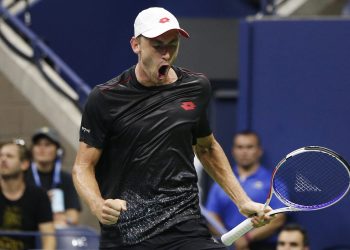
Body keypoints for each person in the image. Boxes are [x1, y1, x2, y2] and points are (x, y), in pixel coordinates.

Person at [72, 7, 273, 250]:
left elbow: (207, 147)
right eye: (157, 46)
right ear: (136, 45)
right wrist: (97, 204)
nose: (166, 54)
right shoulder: (105, 98)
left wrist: (242, 201)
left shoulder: (196, 88)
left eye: (173, 45)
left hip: (185, 227)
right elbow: (83, 166)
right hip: (127, 235)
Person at [206, 131, 286, 250]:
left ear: (259, 151)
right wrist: (231, 238)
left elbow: (279, 218)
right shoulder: (220, 182)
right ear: (233, 151)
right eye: (240, 147)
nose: (244, 151)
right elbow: (211, 215)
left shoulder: (273, 182)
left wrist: (247, 238)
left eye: (249, 147)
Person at [0, 139, 55, 250]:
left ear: (24, 164)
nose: (3, 159)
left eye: (9, 156)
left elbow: (49, 238)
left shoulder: (38, 196)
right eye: (1, 155)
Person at [25, 126, 81, 227]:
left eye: (47, 145)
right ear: (32, 150)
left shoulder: (66, 178)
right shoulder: (23, 176)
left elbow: (73, 217)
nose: (42, 149)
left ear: (58, 151)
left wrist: (64, 219)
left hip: (57, 231)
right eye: (37, 144)